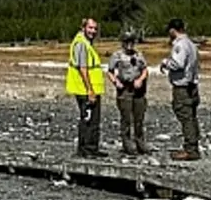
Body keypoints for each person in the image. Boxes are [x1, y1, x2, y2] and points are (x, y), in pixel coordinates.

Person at [159, 17, 201, 161]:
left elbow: (178, 63)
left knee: (185, 116)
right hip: (192, 85)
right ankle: (193, 144)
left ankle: (191, 149)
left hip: (183, 86)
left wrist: (165, 63)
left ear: (172, 30)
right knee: (191, 116)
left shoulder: (180, 45)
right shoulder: (191, 44)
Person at [65, 17, 106, 158]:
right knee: (90, 120)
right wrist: (90, 90)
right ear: (83, 28)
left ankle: (89, 149)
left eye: (95, 28)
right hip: (85, 90)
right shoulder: (81, 44)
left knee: (88, 119)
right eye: (90, 28)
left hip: (86, 89)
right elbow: (83, 69)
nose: (93, 31)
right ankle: (87, 149)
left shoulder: (84, 43)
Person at [108, 30, 152, 156]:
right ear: (123, 42)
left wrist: (140, 79)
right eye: (127, 42)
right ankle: (127, 144)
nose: (129, 44)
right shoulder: (117, 55)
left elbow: (145, 70)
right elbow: (110, 71)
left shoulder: (139, 55)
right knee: (126, 118)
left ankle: (140, 142)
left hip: (138, 90)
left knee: (139, 118)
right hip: (124, 89)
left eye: (131, 42)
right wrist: (116, 82)